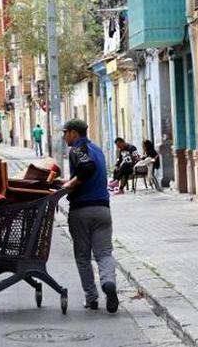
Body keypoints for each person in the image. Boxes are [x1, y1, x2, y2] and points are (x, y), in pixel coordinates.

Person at [61, 118, 119, 313]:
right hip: (103, 210)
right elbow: (93, 170)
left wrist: (71, 184)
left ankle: (91, 298)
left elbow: (87, 168)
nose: (64, 136)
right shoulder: (98, 150)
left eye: (65, 132)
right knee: (104, 253)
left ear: (74, 134)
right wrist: (69, 180)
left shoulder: (77, 149)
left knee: (83, 257)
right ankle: (108, 282)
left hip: (81, 211)